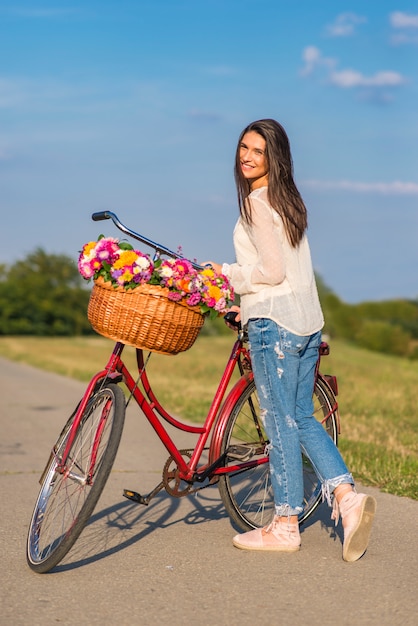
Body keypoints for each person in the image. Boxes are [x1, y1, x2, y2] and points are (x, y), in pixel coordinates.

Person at [206, 119, 376, 562]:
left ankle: (284, 524)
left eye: (257, 151)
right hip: (305, 322)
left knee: (279, 421)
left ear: (273, 158)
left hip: (275, 326)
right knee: (301, 415)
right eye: (243, 147)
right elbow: (290, 274)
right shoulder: (289, 202)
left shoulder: (258, 204)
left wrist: (229, 274)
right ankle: (346, 497)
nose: (246, 156)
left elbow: (270, 272)